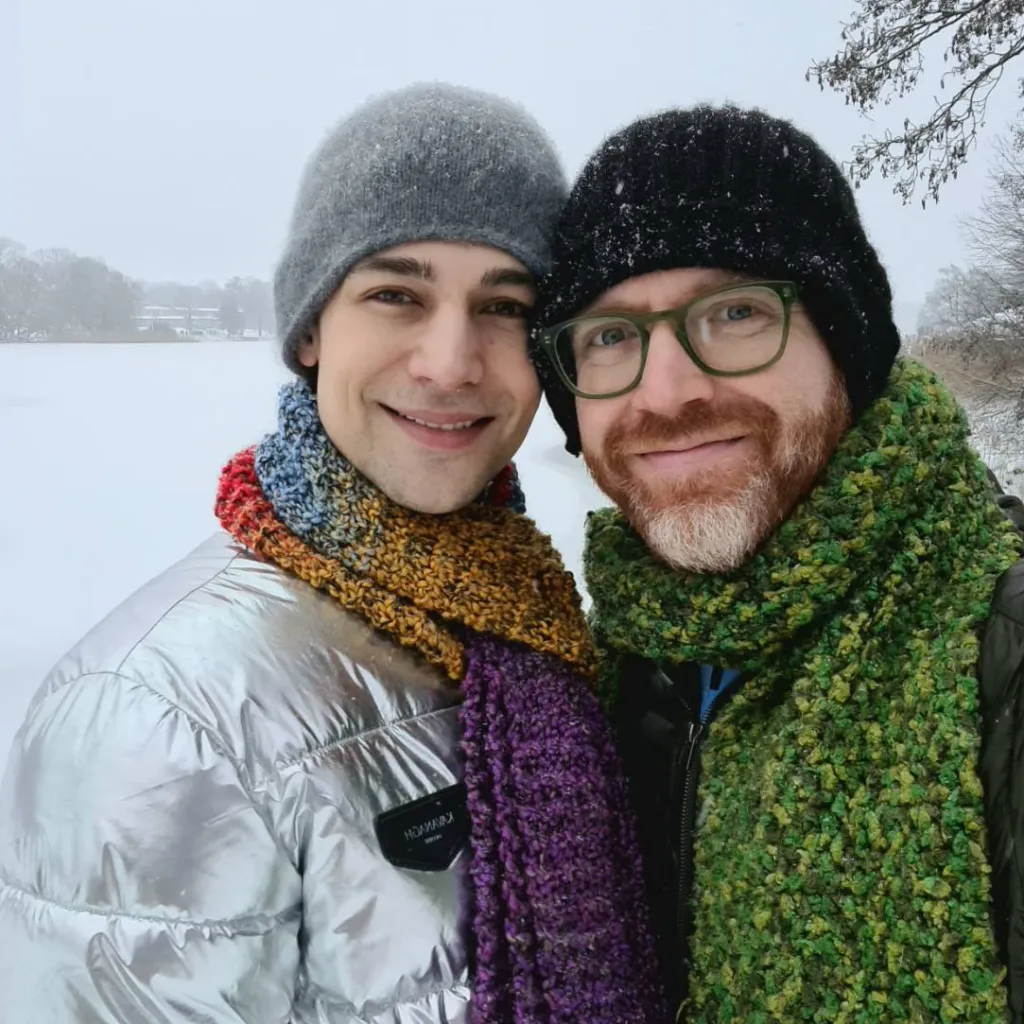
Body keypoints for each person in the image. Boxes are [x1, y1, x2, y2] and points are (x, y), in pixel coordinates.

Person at [0, 84, 665, 1024]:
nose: (450, 362)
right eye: (396, 294)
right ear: (311, 330)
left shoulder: (537, 630)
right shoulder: (157, 717)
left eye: (505, 306)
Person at [530, 103, 1024, 1022]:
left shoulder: (1003, 652)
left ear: (848, 347)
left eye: (736, 313)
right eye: (607, 336)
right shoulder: (599, 679)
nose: (668, 393)